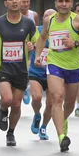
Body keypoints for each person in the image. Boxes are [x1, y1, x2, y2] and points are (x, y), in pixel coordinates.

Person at [34, 0, 79, 152]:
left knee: (69, 102)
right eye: (60, 1)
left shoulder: (77, 20)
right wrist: (38, 55)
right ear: (55, 3)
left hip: (74, 66)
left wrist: (76, 43)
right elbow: (42, 38)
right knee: (57, 97)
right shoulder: (49, 20)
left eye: (67, 1)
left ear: (71, 3)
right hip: (54, 63)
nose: (63, 4)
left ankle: (64, 119)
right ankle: (62, 137)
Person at [0, 0, 37, 147]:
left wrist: (31, 45)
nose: (14, 1)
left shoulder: (28, 23)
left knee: (16, 104)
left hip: (20, 69)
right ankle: (2, 110)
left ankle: (11, 132)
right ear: (5, 3)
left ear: (21, 2)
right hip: (3, 67)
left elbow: (36, 42)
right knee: (7, 99)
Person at [28, 9, 56, 140]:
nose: (49, 20)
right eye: (47, 18)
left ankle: (44, 126)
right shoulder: (35, 30)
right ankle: (37, 114)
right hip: (36, 71)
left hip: (53, 73)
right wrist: (29, 46)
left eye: (52, 17)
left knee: (51, 103)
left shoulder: (59, 33)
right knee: (36, 97)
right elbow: (26, 43)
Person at [20, 0, 39, 105]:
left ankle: (25, 88)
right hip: (16, 48)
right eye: (23, 1)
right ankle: (21, 88)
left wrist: (35, 44)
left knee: (27, 69)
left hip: (30, 48)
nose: (26, 4)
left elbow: (36, 31)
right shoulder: (13, 15)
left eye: (28, 1)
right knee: (19, 71)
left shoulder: (33, 15)